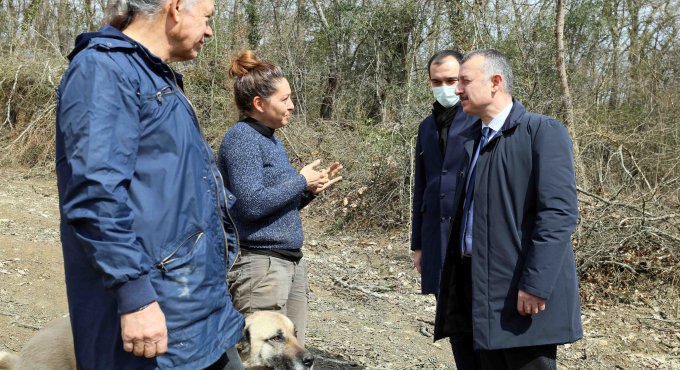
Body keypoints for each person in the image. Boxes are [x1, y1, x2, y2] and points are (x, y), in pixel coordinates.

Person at [55, 0, 245, 369]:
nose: (209, 31)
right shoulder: (103, 69)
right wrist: (136, 298)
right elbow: (96, 198)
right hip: (155, 314)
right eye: (207, 19)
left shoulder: (153, 76)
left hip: (193, 307)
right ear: (175, 8)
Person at [433, 48, 583, 370]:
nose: (457, 90)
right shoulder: (471, 139)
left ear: (495, 82)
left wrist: (535, 284)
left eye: (465, 81)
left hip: (520, 296)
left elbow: (558, 215)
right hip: (475, 289)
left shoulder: (542, 132)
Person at [218, 50, 343, 347]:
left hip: (288, 262)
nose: (291, 105)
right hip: (260, 266)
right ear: (259, 104)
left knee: (292, 358)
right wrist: (300, 180)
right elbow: (248, 204)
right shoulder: (242, 139)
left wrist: (307, 191)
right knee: (261, 359)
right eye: (284, 99)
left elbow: (274, 206)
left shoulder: (270, 139)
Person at [410, 50, 479, 369]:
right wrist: (418, 245)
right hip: (435, 238)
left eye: (451, 80)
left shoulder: (479, 121)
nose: (445, 87)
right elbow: (421, 187)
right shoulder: (425, 127)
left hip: (469, 242)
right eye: (437, 82)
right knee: (451, 321)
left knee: (478, 323)